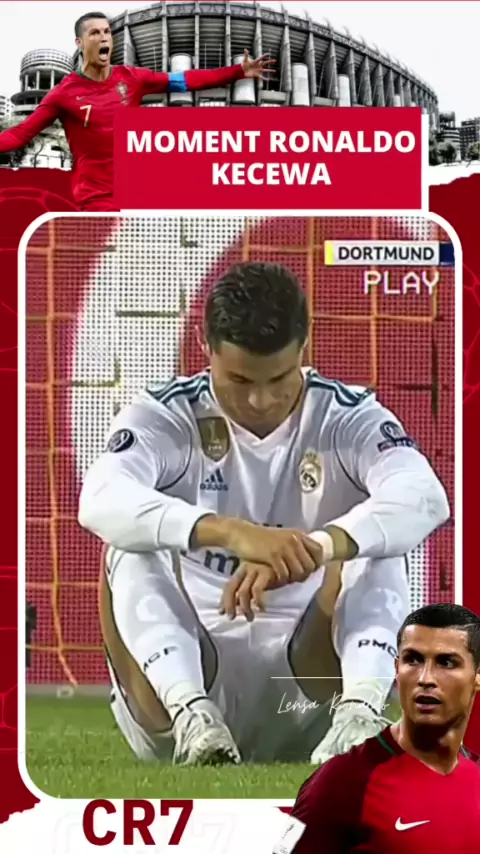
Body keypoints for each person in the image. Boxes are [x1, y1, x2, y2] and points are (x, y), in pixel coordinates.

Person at [78, 260, 450, 766]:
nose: (260, 399)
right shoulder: (167, 414)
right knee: (127, 547)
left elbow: (425, 496)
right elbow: (100, 498)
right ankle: (193, 716)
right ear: (206, 347)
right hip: (180, 683)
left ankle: (358, 717)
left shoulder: (345, 416)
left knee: (378, 546)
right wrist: (233, 533)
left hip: (307, 689)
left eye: (279, 378)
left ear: (304, 347)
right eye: (238, 379)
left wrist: (314, 547)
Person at [0, 12, 273, 211]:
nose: (104, 37)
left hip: (138, 194)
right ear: (79, 43)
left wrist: (237, 71)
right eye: (95, 33)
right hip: (97, 199)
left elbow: (186, 79)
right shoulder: (63, 94)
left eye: (107, 32)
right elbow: (19, 135)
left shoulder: (132, 78)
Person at [275, 603, 480, 854]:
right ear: (396, 669)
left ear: (477, 676)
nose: (425, 678)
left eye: (446, 662)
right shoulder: (340, 783)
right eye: (413, 660)